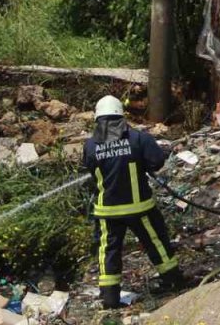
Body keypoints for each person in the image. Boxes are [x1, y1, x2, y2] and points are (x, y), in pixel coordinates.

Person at [83, 96, 184, 309]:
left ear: (97, 118)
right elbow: (156, 161)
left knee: (108, 251)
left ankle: (110, 298)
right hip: (140, 208)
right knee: (156, 242)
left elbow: (91, 169)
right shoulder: (139, 139)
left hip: (107, 211)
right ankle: (173, 281)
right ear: (121, 115)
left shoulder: (91, 145)